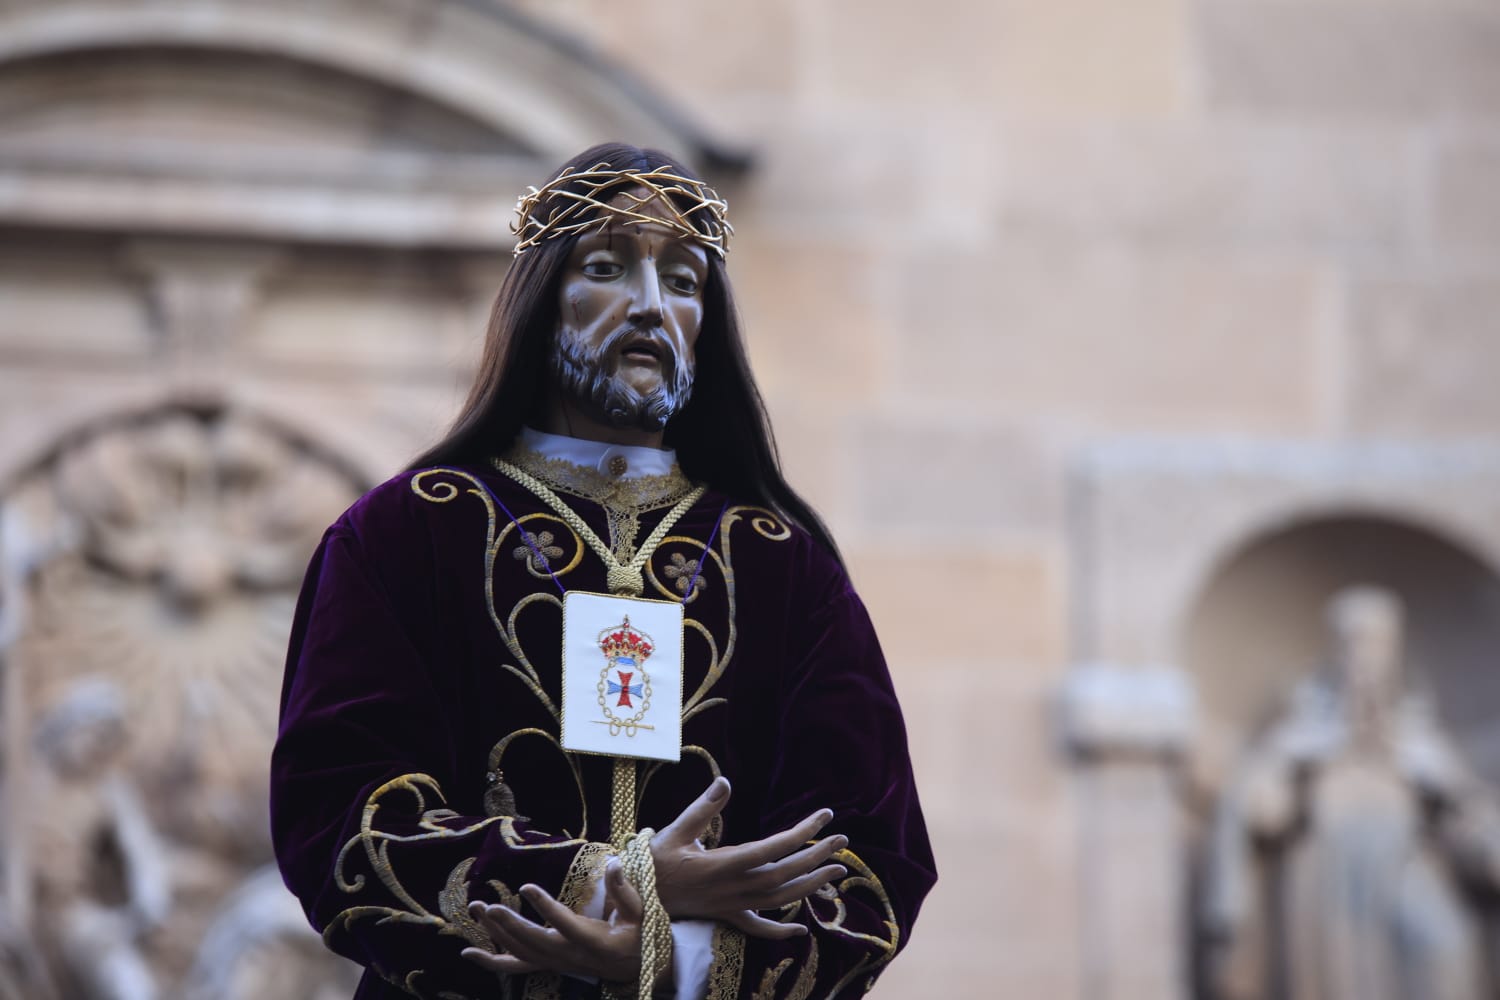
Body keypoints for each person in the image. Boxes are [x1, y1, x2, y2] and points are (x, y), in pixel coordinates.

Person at [271, 142, 936, 1000]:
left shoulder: (784, 571)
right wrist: (610, 882)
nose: (652, 306)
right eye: (608, 268)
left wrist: (671, 961)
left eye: (686, 281)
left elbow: (869, 861)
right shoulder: (408, 533)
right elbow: (342, 816)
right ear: (543, 300)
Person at [1201, 586, 1500, 1000]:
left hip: (1406, 861)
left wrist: (1473, 828)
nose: (1365, 656)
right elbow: (1263, 816)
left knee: (1443, 945)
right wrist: (1287, 777)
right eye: (1353, 641)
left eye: (1377, 642)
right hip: (1327, 867)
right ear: (1335, 649)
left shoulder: (1418, 733)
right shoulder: (1303, 730)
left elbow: (1462, 813)